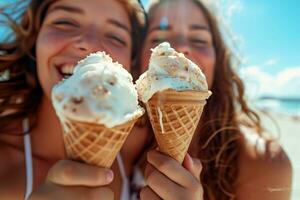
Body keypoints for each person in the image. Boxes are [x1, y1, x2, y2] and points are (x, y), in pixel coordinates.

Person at [136, 0, 293, 200]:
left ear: (218, 58)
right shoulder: (123, 141)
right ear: (138, 56)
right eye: (159, 39)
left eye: (199, 40)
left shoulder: (264, 162)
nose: (182, 47)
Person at [0, 0, 146, 199]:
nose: (89, 44)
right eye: (65, 23)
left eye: (115, 36)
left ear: (131, 63)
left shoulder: (140, 143)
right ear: (36, 40)